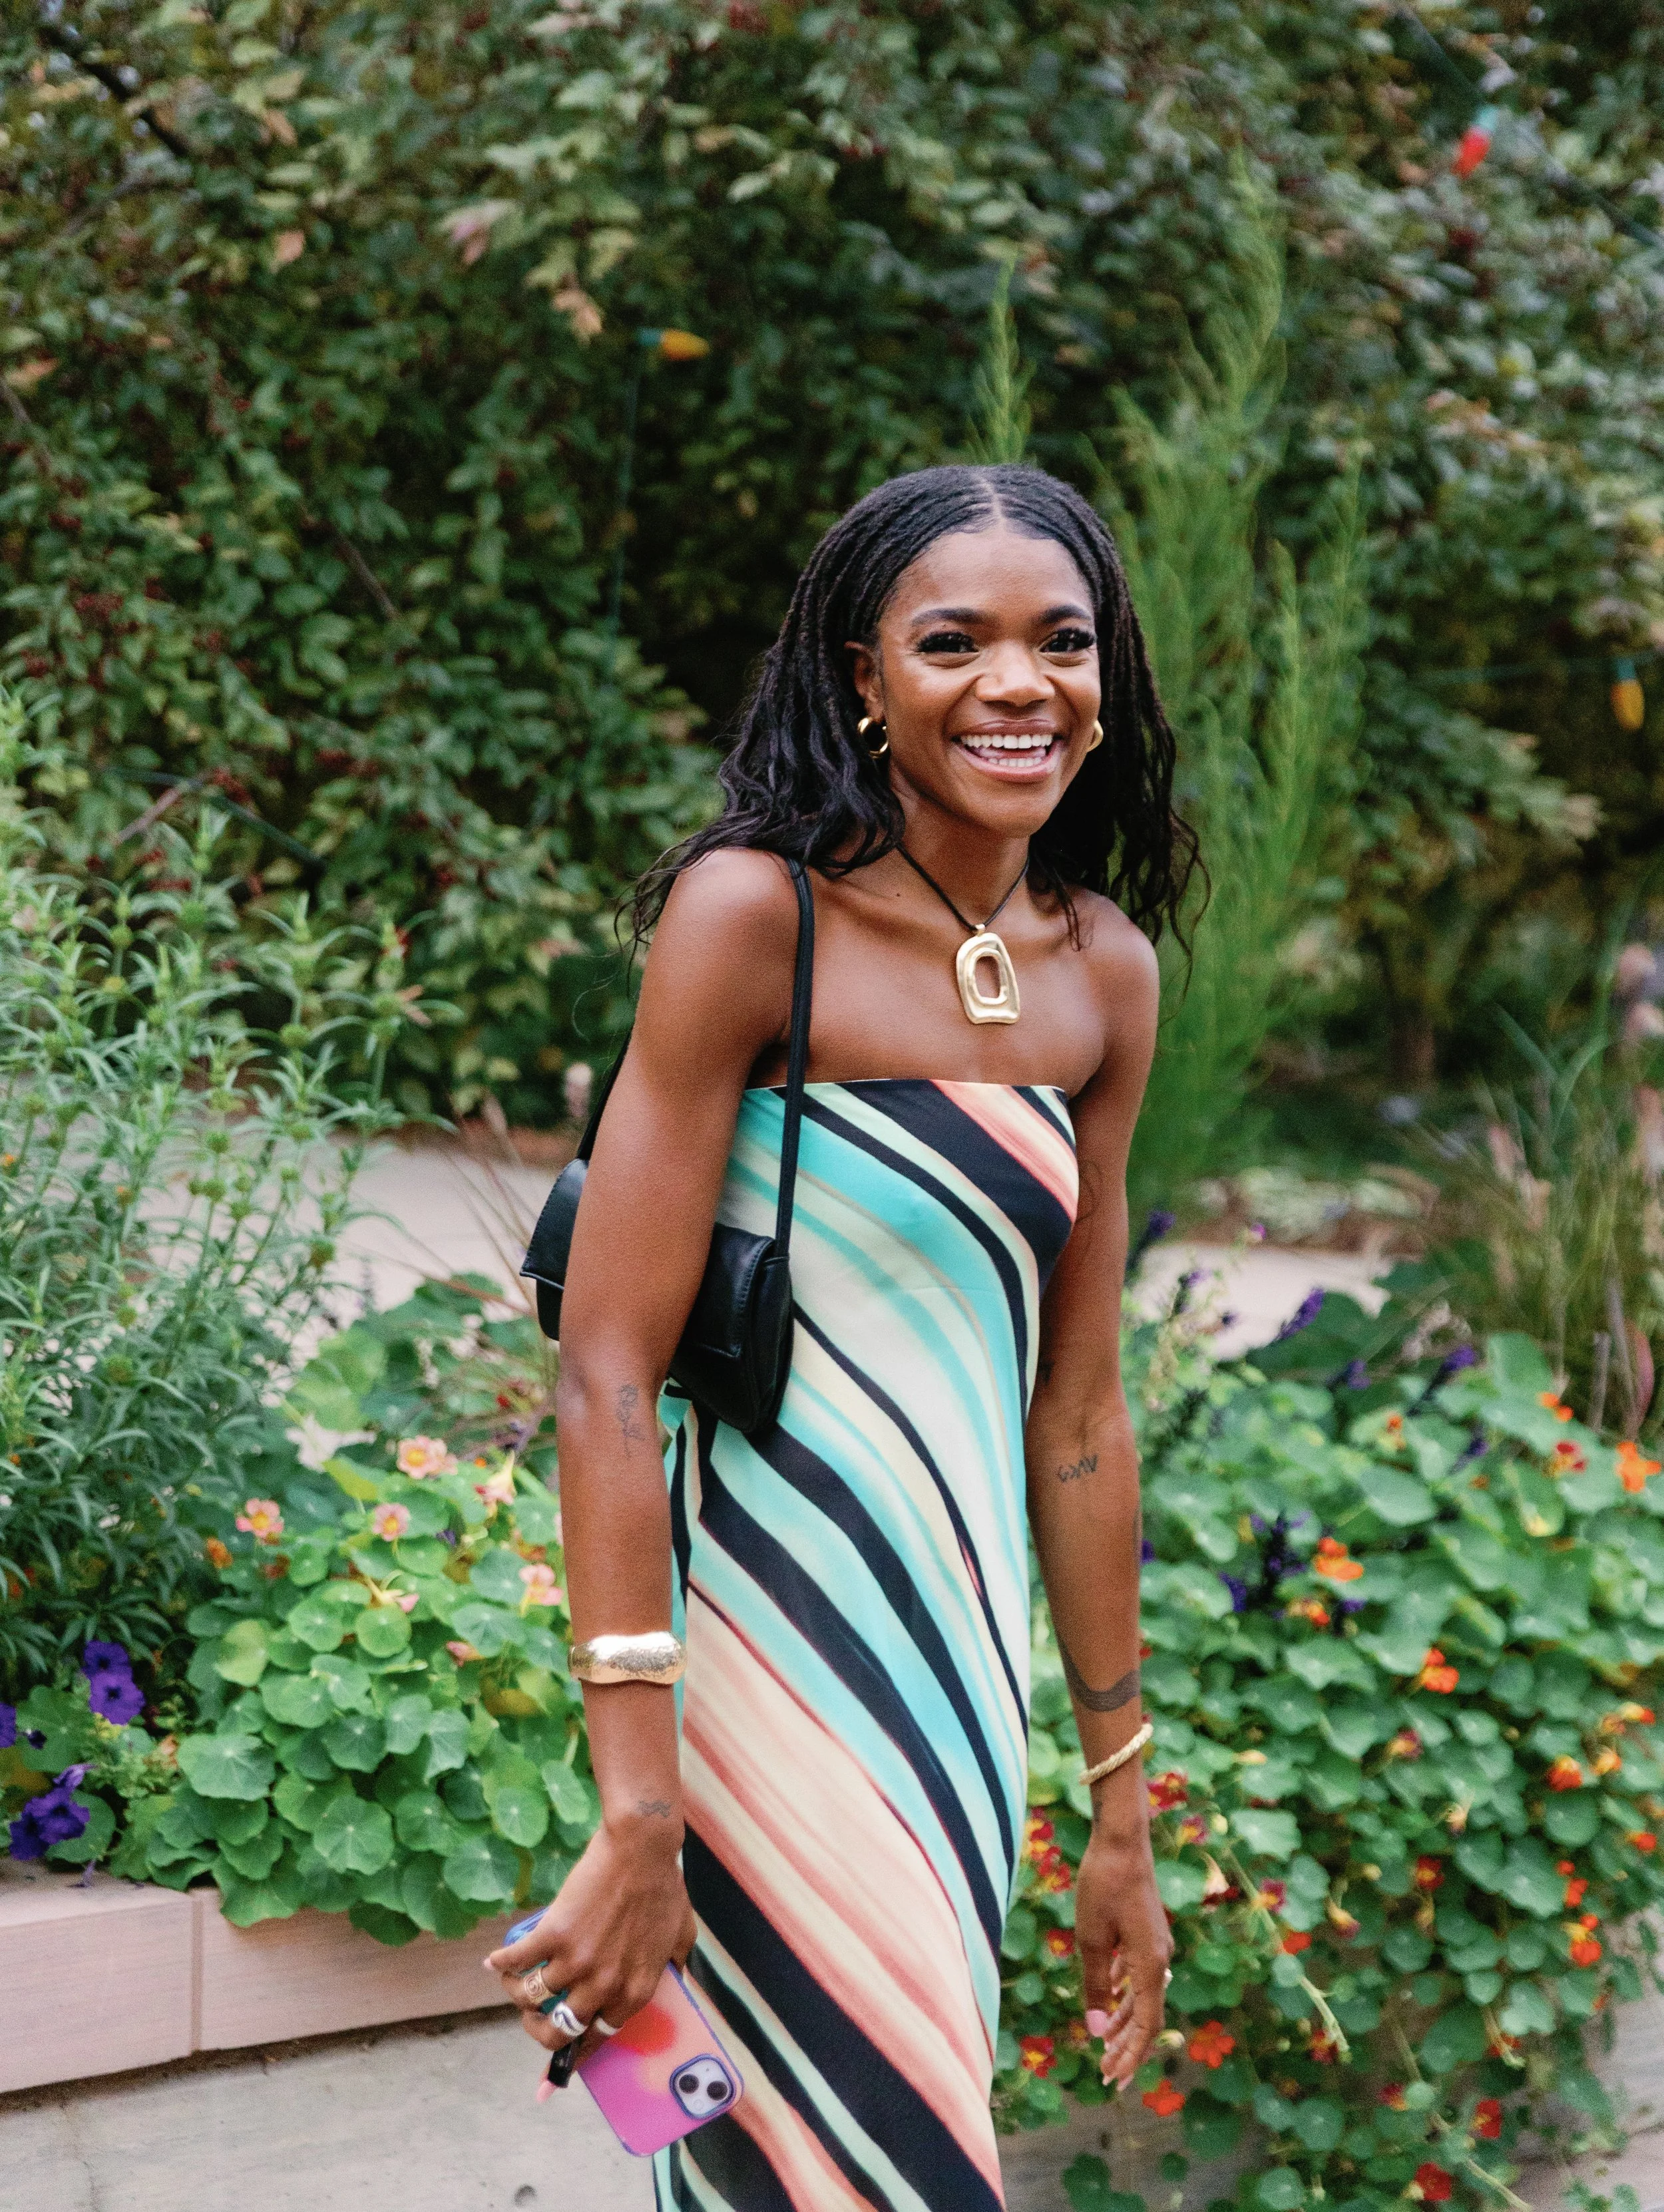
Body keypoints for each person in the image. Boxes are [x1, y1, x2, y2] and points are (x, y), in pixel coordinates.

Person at [489, 462, 1201, 2209]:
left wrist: (1120, 1807)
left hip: (955, 1686)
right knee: (810, 2164)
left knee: (888, 2139)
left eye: (1062, 642)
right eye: (953, 643)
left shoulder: (1103, 970)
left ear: (1106, 678)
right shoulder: (754, 917)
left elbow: (1079, 1417)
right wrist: (638, 1800)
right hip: (751, 1668)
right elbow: (606, 1373)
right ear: (864, 681)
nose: (1018, 684)